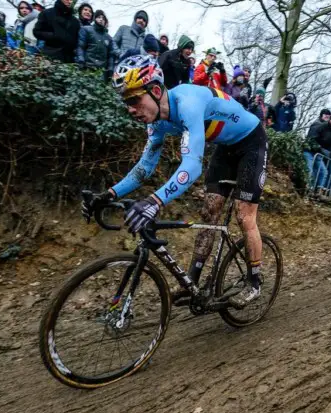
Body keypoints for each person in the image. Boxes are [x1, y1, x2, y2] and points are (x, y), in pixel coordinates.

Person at [81, 55, 269, 308]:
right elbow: (144, 167)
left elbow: (191, 167)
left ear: (156, 90)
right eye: (126, 102)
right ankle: (192, 280)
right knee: (209, 210)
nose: (130, 109)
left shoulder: (187, 103)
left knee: (244, 216)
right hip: (225, 146)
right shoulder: (157, 123)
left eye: (135, 100)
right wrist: (109, 195)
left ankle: (254, 281)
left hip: (251, 142)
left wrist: (154, 201)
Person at [76, 10, 117, 80]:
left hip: (101, 72)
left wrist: (110, 70)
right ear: (95, 19)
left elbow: (110, 55)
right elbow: (80, 47)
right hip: (87, 68)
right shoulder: (86, 29)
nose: (101, 19)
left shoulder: (109, 38)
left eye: (103, 18)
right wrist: (81, 61)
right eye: (99, 17)